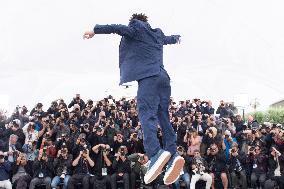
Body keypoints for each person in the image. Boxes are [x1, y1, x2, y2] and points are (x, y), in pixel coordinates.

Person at [83, 13, 184, 185]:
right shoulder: (156, 33)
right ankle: (173, 155)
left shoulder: (136, 29)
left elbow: (117, 28)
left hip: (149, 77)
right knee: (163, 116)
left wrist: (95, 30)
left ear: (134, 22)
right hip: (164, 78)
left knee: (146, 115)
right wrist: (177, 38)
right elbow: (169, 39)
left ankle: (155, 154)